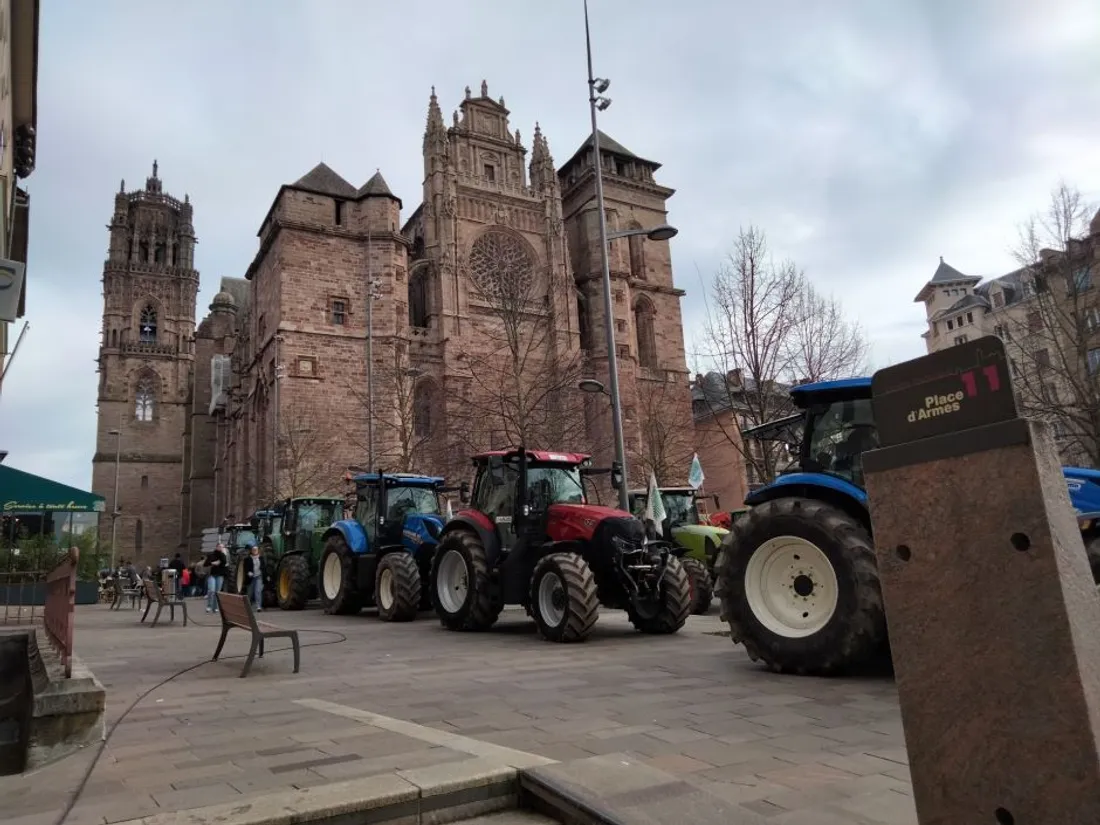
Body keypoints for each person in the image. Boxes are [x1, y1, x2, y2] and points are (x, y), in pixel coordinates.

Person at [241, 542, 266, 612]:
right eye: (254, 550)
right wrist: (248, 572)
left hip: (259, 576)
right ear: (251, 551)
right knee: (250, 592)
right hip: (251, 577)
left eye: (256, 550)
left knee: (258, 591)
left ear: (258, 551)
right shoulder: (247, 559)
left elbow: (264, 568)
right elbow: (245, 568)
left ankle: (258, 606)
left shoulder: (261, 558)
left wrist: (266, 576)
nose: (255, 551)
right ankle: (248, 606)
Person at [204, 543, 229, 613]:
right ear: (216, 547)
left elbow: (225, 562)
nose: (220, 548)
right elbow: (205, 563)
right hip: (212, 575)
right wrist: (213, 563)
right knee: (211, 590)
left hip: (220, 575)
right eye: (219, 547)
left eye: (222, 547)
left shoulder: (223, 555)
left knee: (217, 592)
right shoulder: (212, 555)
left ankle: (215, 607)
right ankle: (209, 606)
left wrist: (222, 554)